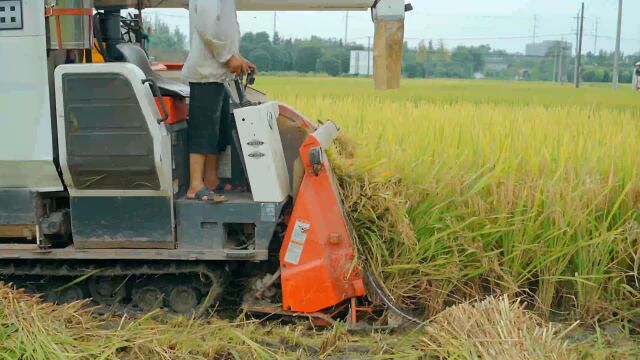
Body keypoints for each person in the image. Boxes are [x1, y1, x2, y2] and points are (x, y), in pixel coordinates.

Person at [182, 0, 256, 202]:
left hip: (218, 71)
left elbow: (224, 29)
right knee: (203, 129)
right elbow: (207, 25)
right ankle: (195, 185)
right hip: (206, 72)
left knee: (217, 129)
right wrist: (228, 56)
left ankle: (211, 179)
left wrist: (237, 57)